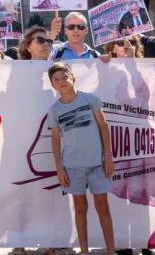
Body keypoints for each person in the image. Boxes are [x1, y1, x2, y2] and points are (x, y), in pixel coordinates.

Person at [47, 62, 116, 255]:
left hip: (97, 165)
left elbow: (104, 127)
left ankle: (111, 251)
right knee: (80, 208)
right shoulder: (54, 110)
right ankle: (84, 250)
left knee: (103, 207)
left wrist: (108, 157)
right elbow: (55, 140)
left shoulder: (91, 99)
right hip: (72, 168)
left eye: (64, 77)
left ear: (73, 78)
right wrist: (59, 169)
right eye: (56, 80)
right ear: (52, 85)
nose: (61, 81)